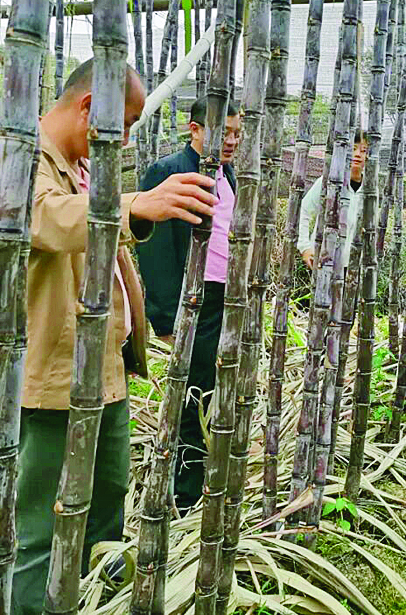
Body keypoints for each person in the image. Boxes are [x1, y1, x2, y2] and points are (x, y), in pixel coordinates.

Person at [0, 59, 218, 615]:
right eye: (125, 124)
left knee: (107, 505)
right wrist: (134, 203)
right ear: (89, 107)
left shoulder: (82, 166)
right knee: (40, 525)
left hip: (103, 369)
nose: (127, 139)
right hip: (52, 377)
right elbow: (40, 217)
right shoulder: (19, 154)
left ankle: (94, 602)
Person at [135, 96, 241, 511]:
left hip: (225, 298)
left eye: (236, 133)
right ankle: (185, 492)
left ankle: (211, 477)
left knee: (216, 388)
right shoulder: (170, 172)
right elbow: (155, 250)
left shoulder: (229, 174)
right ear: (194, 129)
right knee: (191, 392)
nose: (231, 141)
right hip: (193, 299)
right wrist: (165, 317)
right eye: (223, 132)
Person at [297, 129, 368, 269]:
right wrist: (305, 247)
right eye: (353, 149)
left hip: (353, 267)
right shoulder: (329, 182)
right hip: (323, 262)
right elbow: (303, 210)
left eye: (363, 150)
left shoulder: (370, 191)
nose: (357, 154)